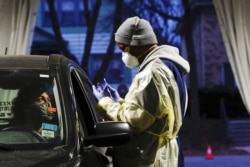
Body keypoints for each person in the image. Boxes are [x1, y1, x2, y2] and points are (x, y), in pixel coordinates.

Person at [92, 16, 190, 167]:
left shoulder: (152, 73)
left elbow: (134, 121)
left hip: (151, 156)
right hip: (165, 154)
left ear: (137, 44)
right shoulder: (168, 66)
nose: (123, 54)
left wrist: (105, 102)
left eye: (123, 48)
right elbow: (150, 112)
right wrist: (120, 102)